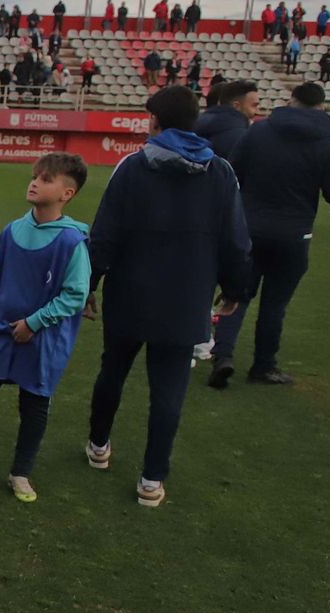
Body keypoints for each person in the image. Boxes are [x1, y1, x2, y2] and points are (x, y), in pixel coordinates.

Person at [84, 86, 251, 508]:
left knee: (113, 372)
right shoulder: (221, 173)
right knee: (169, 392)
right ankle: (151, 480)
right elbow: (235, 242)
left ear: (155, 121)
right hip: (186, 299)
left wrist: (88, 287)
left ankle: (99, 445)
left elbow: (104, 235)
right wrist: (234, 290)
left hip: (130, 295)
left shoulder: (134, 166)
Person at [210, 82, 330, 388]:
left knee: (236, 295)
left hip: (250, 229)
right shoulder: (329, 140)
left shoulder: (259, 130)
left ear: (291, 100)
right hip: (294, 234)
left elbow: (232, 172)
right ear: (321, 106)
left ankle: (224, 356)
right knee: (275, 304)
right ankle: (264, 366)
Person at [0, 153, 90, 502]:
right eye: (35, 176)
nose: (35, 182)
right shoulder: (12, 230)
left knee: (34, 401)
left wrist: (34, 322)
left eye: (46, 179)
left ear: (67, 194)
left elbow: (75, 295)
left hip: (43, 336)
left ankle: (21, 472)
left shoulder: (71, 242)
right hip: (0, 327)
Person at [194, 80, 261, 160]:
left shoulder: (192, 127)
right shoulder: (244, 138)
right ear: (236, 106)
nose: (258, 111)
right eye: (254, 106)